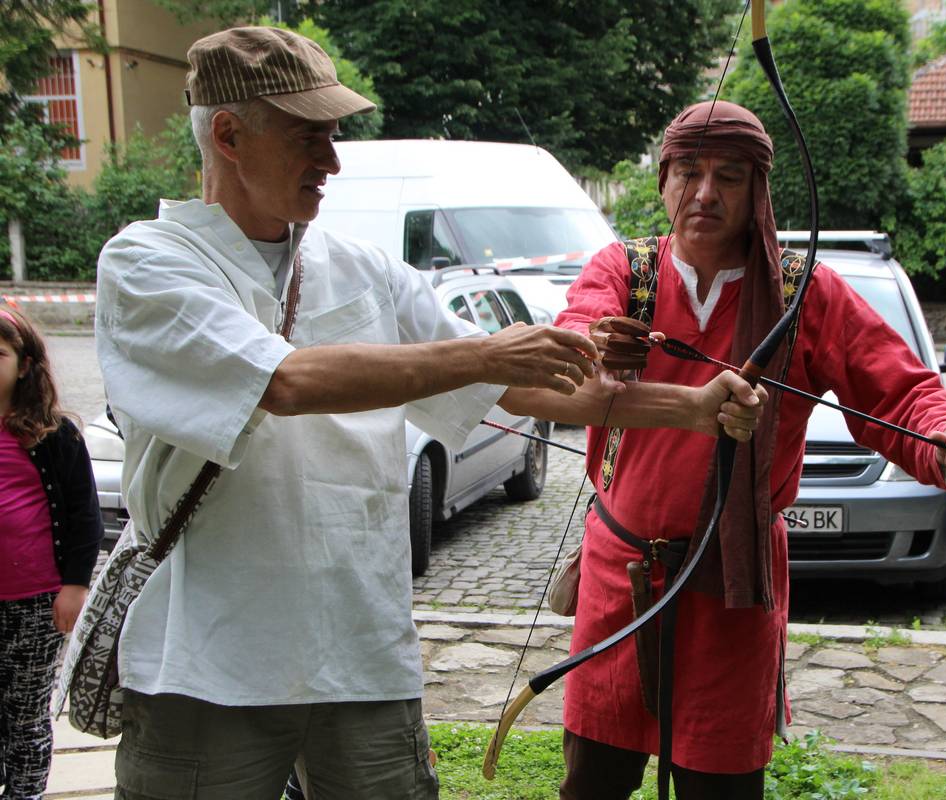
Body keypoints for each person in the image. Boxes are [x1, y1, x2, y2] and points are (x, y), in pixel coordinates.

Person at [89, 27, 767, 800]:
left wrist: (694, 407)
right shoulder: (147, 263)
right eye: (309, 135)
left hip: (362, 655)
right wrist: (486, 356)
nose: (331, 161)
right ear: (228, 134)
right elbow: (283, 383)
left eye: (334, 135)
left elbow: (523, 386)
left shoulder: (360, 268)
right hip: (207, 665)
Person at [553, 100, 946, 799]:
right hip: (621, 574)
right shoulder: (625, 271)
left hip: (731, 586)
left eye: (730, 177)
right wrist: (594, 343)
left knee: (722, 788)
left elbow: (898, 390)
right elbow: (576, 336)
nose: (705, 193)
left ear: (758, 192)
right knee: (593, 781)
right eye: (689, 172)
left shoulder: (804, 293)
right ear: (664, 181)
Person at [0, 307, 104, 800]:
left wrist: (75, 587)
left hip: (35, 604)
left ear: (24, 365)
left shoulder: (54, 434)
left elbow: (86, 516)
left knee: (25, 715)